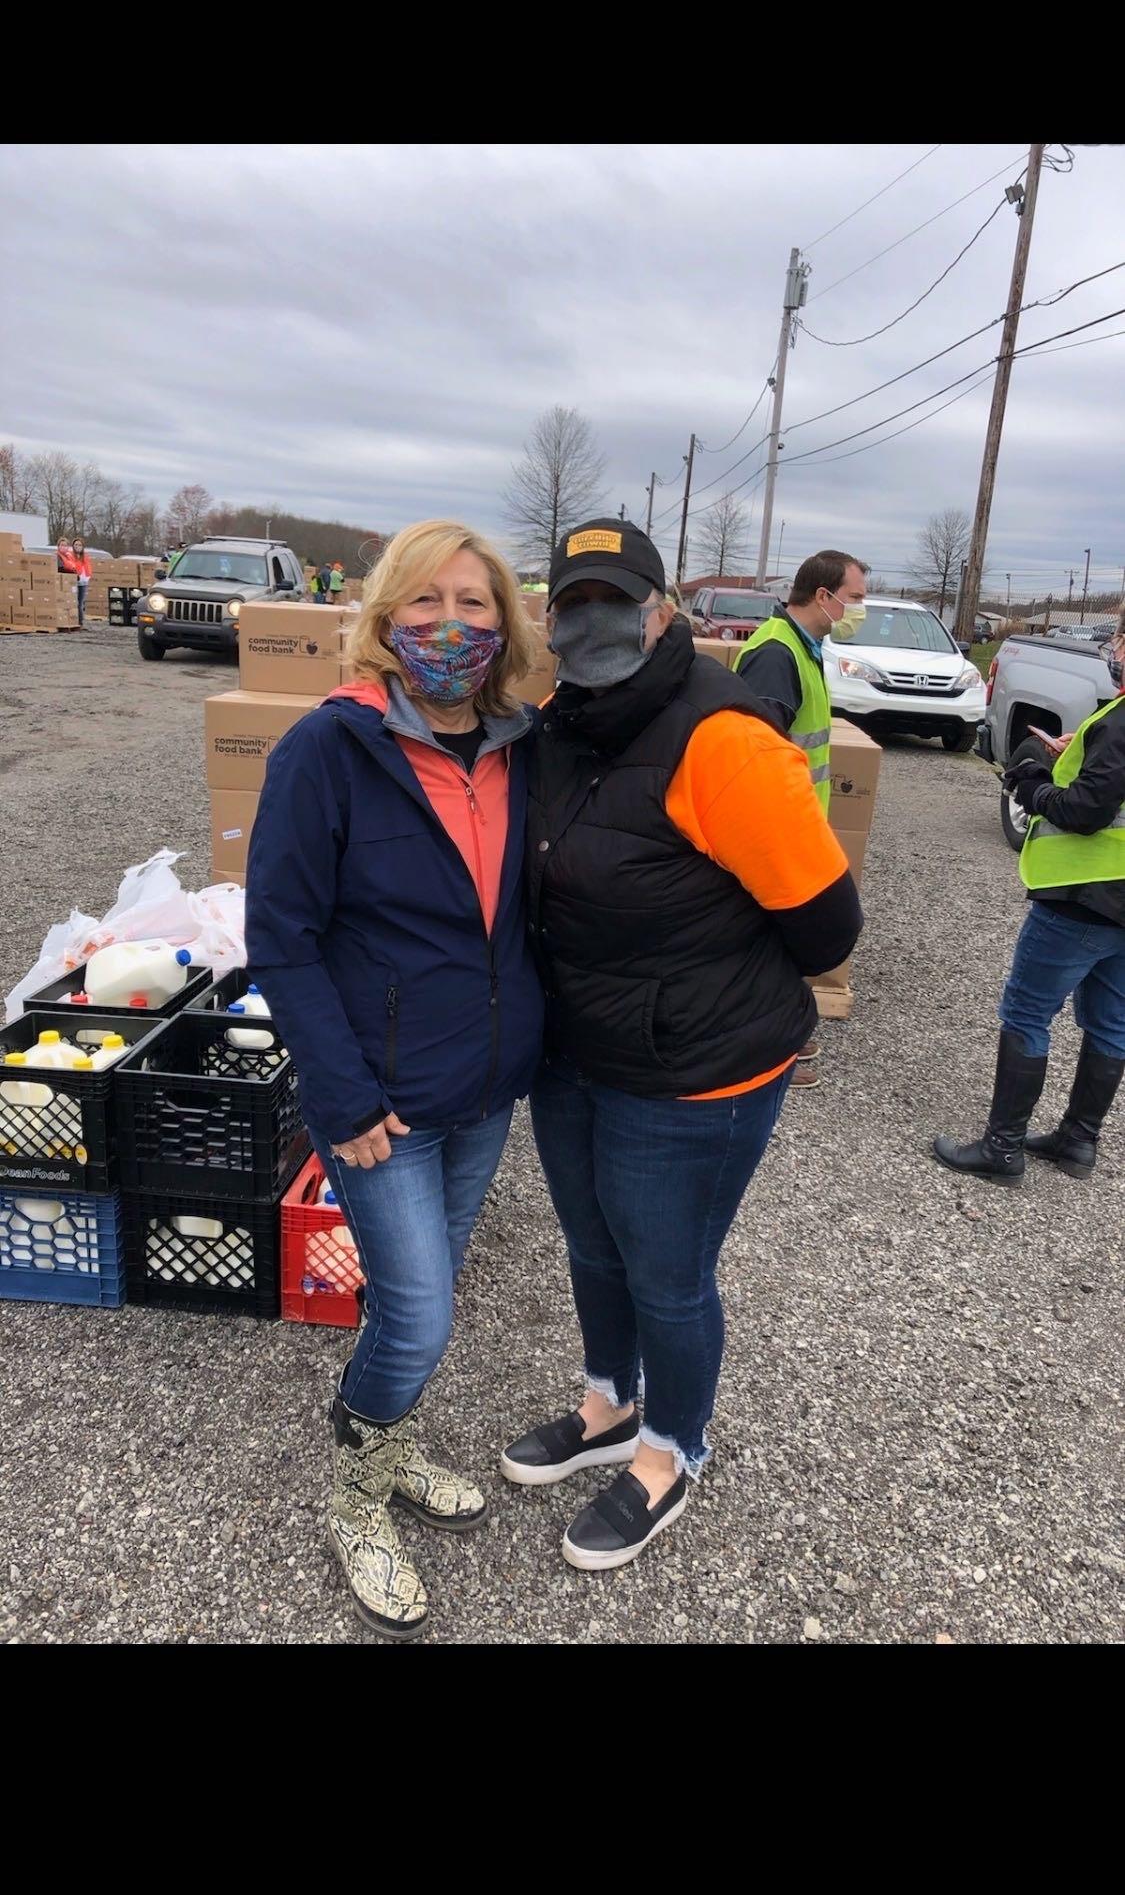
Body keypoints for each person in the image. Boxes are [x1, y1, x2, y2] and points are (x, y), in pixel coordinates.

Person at [501, 519, 862, 1571]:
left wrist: (693, 972)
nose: (593, 621)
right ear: (549, 622)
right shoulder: (555, 725)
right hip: (575, 1052)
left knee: (668, 1274)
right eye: (573, 603)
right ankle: (608, 1404)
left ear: (663, 613)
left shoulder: (724, 736)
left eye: (616, 600)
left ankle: (670, 1448)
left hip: (694, 1070)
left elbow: (826, 929)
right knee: (591, 1246)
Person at [245, 520, 544, 1638]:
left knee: (418, 1292)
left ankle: (396, 1445)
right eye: (425, 600)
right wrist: (341, 1095)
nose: (449, 624)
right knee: (418, 1318)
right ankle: (356, 1496)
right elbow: (280, 937)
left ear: (505, 621)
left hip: (485, 1090)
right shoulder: (329, 749)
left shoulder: (520, 744)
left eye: (474, 602)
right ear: (384, 615)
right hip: (380, 1106)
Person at [934, 615, 1125, 1185]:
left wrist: (1032, 784)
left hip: (1083, 895)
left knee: (1026, 1012)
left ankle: (1002, 1147)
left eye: (1120, 638)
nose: (1114, 649)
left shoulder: (1120, 722)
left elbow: (1086, 811)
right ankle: (1078, 1141)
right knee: (1112, 1022)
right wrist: (1077, 758)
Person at [732, 550, 869, 1086]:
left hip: (794, 827)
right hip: (774, 833)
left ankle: (781, 1041)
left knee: (780, 945)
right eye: (855, 598)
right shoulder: (776, 655)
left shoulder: (802, 648)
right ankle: (765, 1054)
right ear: (823, 596)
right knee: (764, 945)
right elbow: (756, 759)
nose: (859, 610)